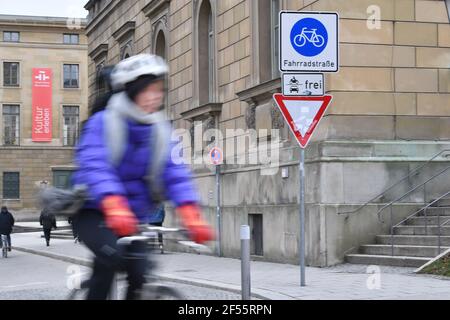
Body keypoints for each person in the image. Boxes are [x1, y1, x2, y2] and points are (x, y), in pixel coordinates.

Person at [72, 54, 215, 300]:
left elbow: (174, 172)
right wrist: (113, 202)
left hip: (133, 217)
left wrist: (191, 212)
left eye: (159, 90)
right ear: (131, 92)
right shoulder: (103, 123)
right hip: (93, 211)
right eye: (148, 90)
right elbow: (96, 166)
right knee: (110, 258)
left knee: (140, 272)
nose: (155, 97)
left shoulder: (159, 129)